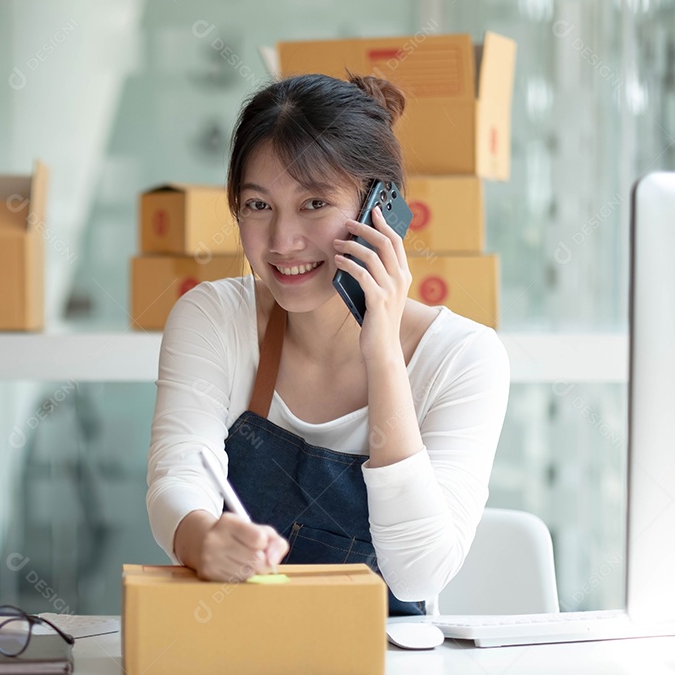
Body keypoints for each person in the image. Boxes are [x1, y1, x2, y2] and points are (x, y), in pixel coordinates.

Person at [145, 72, 510, 615]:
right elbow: (177, 477)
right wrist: (201, 539)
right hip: (233, 649)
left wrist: (382, 352)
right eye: (258, 205)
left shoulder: (463, 358)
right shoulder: (214, 318)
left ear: (380, 210)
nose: (282, 242)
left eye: (314, 203)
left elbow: (416, 574)